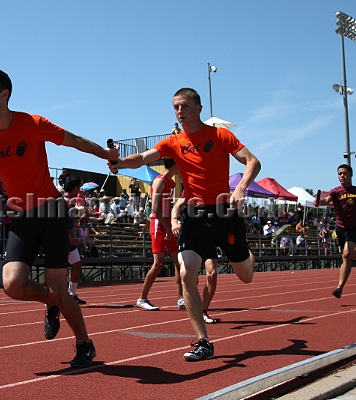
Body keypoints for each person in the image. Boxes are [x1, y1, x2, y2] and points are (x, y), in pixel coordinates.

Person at [0, 68, 118, 368]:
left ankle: (85, 344)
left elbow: (72, 139)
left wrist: (105, 154)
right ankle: (50, 302)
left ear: (5, 93)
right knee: (13, 285)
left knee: (61, 289)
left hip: (51, 212)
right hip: (21, 215)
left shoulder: (33, 123)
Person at [109, 87, 260, 361]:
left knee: (245, 276)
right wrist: (118, 162)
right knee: (187, 270)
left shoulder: (220, 135)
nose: (180, 112)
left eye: (185, 106)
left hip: (225, 212)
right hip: (194, 214)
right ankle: (204, 341)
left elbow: (252, 161)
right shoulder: (173, 142)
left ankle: (247, 255)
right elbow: (142, 159)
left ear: (199, 108)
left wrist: (240, 191)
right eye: (176, 107)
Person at [314, 164, 356, 298]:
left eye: (344, 173)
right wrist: (319, 202)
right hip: (340, 228)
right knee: (348, 253)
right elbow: (326, 200)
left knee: (346, 254)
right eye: (339, 174)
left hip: (354, 227)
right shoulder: (335, 191)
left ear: (351, 175)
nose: (342, 176)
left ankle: (339, 288)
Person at [134, 157, 183, 311]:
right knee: (158, 263)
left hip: (167, 222)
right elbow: (155, 208)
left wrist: (173, 222)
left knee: (179, 261)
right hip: (158, 224)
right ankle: (142, 298)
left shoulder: (172, 183)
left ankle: (181, 298)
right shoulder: (159, 181)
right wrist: (167, 227)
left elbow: (168, 206)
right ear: (174, 165)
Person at [172, 195, 220, 323]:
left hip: (209, 235)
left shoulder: (216, 191)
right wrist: (174, 221)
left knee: (212, 274)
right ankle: (190, 301)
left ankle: (203, 311)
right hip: (191, 234)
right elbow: (177, 205)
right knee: (189, 273)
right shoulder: (192, 187)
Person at [63, 176, 86, 304]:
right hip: (61, 240)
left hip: (68, 240)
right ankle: (51, 296)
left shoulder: (70, 201)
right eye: (79, 187)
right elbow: (59, 223)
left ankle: (72, 293)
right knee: (58, 270)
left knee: (77, 264)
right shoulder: (65, 201)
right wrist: (70, 235)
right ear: (76, 188)